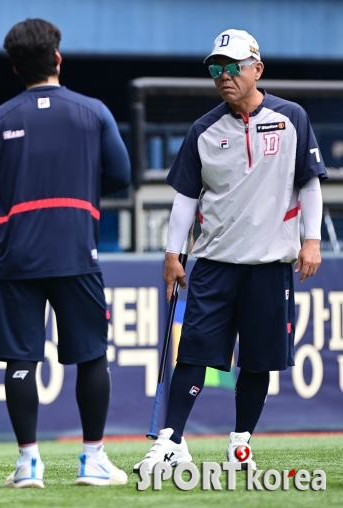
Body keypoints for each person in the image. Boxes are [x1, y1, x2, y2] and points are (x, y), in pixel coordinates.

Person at [133, 29, 327, 473]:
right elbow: (185, 198)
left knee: (259, 359)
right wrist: (172, 253)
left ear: (257, 69)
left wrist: (312, 239)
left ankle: (240, 444)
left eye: (233, 66)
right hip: (215, 263)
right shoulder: (203, 129)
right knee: (195, 354)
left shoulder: (292, 117)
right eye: (216, 68)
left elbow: (309, 183)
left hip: (270, 264)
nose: (223, 76)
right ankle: (172, 440)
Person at [0, 18, 131, 488]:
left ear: (16, 68)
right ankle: (93, 460)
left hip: (18, 253)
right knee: (92, 355)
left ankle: (28, 464)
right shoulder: (93, 111)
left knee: (21, 359)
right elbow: (121, 175)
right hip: (78, 248)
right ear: (58, 58)